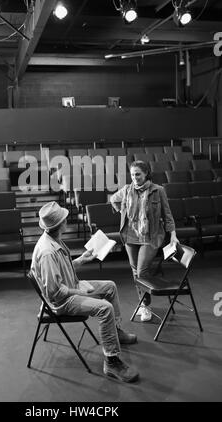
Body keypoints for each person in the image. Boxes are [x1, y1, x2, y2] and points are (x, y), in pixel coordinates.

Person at [31, 201, 139, 383]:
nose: (67, 220)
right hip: (62, 302)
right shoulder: (48, 252)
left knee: (110, 286)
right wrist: (80, 292)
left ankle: (116, 331)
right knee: (105, 309)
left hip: (69, 287)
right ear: (61, 224)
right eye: (65, 219)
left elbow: (61, 271)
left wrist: (82, 259)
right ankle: (111, 361)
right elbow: (54, 293)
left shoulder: (53, 238)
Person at [110, 160, 179, 322]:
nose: (135, 177)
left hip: (151, 236)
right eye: (132, 174)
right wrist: (123, 211)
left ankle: (146, 305)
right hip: (130, 236)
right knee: (135, 272)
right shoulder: (127, 190)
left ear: (146, 173)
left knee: (142, 272)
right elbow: (113, 199)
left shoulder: (158, 190)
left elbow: (167, 215)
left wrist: (173, 234)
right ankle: (143, 303)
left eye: (138, 174)